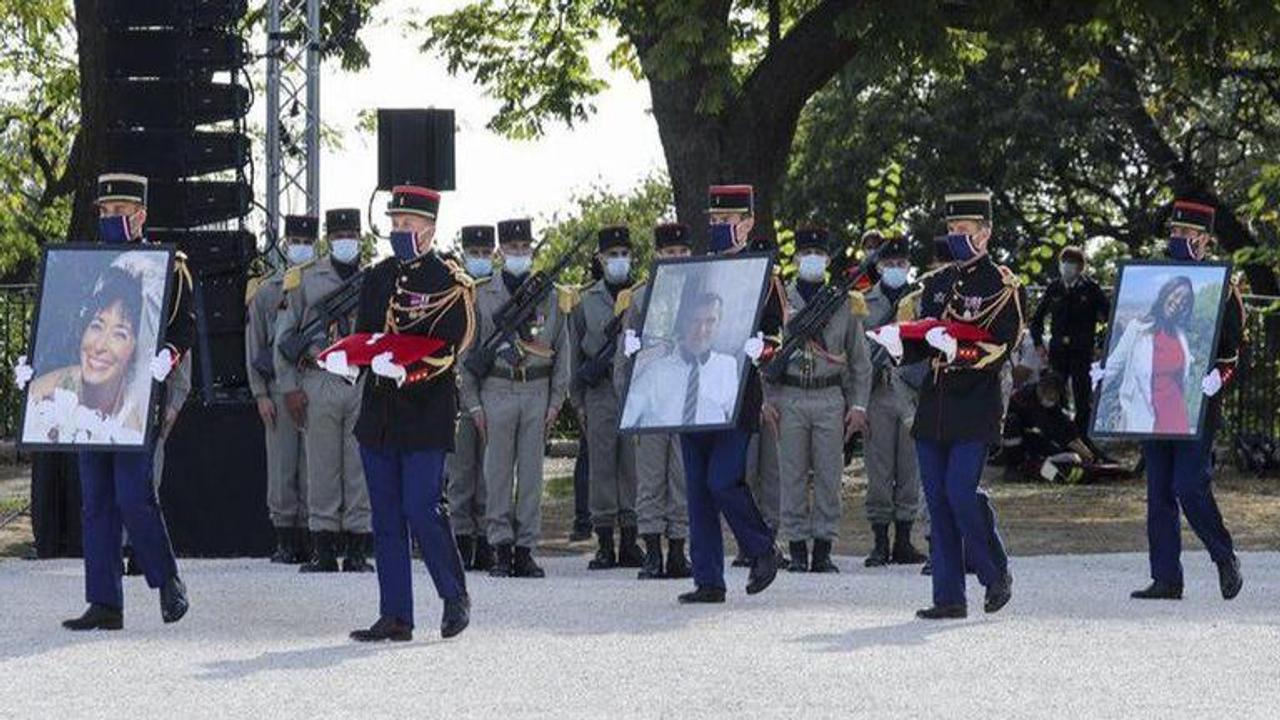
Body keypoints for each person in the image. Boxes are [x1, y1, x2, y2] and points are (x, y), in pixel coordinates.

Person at [14, 173, 193, 630]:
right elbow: (64, 326)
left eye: (120, 212)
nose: (111, 220)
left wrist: (167, 358)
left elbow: (183, 326)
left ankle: (167, 577)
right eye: (105, 212)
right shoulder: (87, 265)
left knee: (133, 493)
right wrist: (35, 366)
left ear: (141, 215)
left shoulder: (168, 266)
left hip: (136, 396)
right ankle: (105, 602)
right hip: (89, 400)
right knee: (95, 499)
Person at [874, 190, 1021, 620]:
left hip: (975, 402)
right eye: (953, 230)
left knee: (959, 492)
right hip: (935, 403)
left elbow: (1001, 347)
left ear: (986, 233)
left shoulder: (1003, 285)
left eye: (966, 231)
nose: (958, 238)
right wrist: (901, 345)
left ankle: (995, 573)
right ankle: (948, 597)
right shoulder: (936, 285)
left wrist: (959, 351)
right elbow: (922, 344)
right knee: (937, 501)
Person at [1093, 199, 1244, 601]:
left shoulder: (1224, 289)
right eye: (1174, 233)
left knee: (1189, 486)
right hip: (1151, 413)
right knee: (1159, 491)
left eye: (1187, 234)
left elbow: (1232, 353)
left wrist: (1217, 377)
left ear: (1206, 241)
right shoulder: (1150, 300)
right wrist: (1103, 371)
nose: (1178, 239)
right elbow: (1117, 353)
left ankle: (1223, 555)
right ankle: (1166, 578)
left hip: (1194, 408)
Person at [345, 184, 474, 641]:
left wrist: (406, 370)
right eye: (395, 224)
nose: (399, 232)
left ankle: (453, 593)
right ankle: (396, 614)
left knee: (422, 507)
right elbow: (363, 335)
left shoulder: (450, 282)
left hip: (425, 411)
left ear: (430, 229)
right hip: (380, 414)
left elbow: (449, 349)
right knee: (385, 516)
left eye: (408, 225)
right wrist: (350, 362)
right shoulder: (378, 277)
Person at [673, 184, 783, 603]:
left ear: (748, 223)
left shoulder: (763, 273)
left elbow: (776, 329)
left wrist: (763, 347)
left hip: (737, 392)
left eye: (727, 221)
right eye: (715, 221)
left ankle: (761, 547)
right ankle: (708, 580)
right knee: (699, 489)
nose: (720, 227)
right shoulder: (699, 270)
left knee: (722, 479)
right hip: (693, 388)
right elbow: (681, 322)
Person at [460, 218, 571, 579]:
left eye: (525, 249)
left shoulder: (550, 296)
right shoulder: (481, 294)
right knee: (497, 474)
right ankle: (500, 547)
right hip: (496, 389)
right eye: (512, 249)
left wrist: (556, 402)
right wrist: (474, 404)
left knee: (532, 475)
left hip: (536, 390)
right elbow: (468, 356)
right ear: (500, 252)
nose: (519, 254)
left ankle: (526, 548)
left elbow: (562, 353)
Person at [764, 227, 871, 573]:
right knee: (791, 474)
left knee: (829, 475)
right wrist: (768, 398)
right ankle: (796, 548)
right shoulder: (779, 298)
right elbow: (764, 356)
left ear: (827, 260)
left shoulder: (844, 302)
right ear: (795, 259)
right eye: (806, 253)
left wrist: (858, 406)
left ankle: (823, 548)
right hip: (790, 394)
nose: (812, 259)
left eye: (819, 254)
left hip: (829, 396)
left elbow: (859, 360)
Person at [275, 208, 373, 573]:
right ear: (329, 240)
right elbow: (285, 340)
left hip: (360, 380)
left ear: (360, 238)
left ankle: (359, 546)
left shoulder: (373, 280)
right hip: (320, 378)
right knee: (321, 465)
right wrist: (289, 387)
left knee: (359, 466)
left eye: (351, 233)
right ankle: (324, 547)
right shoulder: (304, 280)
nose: (345, 240)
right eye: (338, 235)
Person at [618, 223, 693, 579]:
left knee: (681, 477)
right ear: (657, 255)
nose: (676, 258)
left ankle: (678, 550)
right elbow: (625, 357)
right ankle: (652, 552)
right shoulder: (638, 297)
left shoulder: (700, 292)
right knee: (650, 478)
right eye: (669, 253)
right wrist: (628, 404)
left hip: (686, 398)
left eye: (682, 253)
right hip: (650, 398)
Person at [571, 225, 643, 570]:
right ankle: (603, 543)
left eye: (624, 254)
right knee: (601, 466)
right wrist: (579, 401)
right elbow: (575, 354)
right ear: (600, 259)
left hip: (634, 392)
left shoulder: (643, 296)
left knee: (632, 467)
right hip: (599, 394)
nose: (619, 260)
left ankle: (630, 541)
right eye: (612, 255)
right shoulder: (587, 300)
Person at [245, 216, 313, 564]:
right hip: (275, 386)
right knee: (283, 464)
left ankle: (312, 532)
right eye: (296, 241)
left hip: (315, 383)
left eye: (308, 241)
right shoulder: (267, 290)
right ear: (286, 245)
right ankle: (286, 536)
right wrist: (260, 394)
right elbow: (254, 345)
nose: (302, 247)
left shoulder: (321, 285)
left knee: (314, 464)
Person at [860, 235, 927, 567]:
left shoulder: (919, 300)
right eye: (889, 264)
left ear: (909, 266)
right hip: (878, 392)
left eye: (901, 264)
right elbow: (858, 354)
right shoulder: (864, 302)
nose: (896, 269)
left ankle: (904, 539)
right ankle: (879, 541)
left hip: (911, 391)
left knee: (910, 468)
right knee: (879, 468)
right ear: (879, 266)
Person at [446, 225, 497, 572]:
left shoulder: (498, 293)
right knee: (463, 474)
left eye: (484, 252)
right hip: (462, 396)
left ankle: (487, 542)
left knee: (489, 475)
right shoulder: (456, 293)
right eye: (474, 253)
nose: (480, 258)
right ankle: (462, 540)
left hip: (494, 393)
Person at [1095, 275, 1197, 434]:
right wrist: (1090, 387)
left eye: (1185, 301)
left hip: (1176, 416)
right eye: (1176, 295)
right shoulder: (1137, 329)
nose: (1178, 303)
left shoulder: (1181, 335)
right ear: (1166, 293)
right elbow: (1113, 366)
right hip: (1144, 416)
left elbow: (1182, 376)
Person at [1029, 246, 1109, 435]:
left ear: (1081, 267)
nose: (1067, 267)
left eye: (1072, 264)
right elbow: (1037, 320)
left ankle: (1082, 437)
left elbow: (1109, 316)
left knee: (1082, 395)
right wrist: (1039, 344)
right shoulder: (1054, 288)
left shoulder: (1091, 289)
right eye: (1064, 263)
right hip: (1058, 350)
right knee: (1056, 392)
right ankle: (1058, 434)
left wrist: (1099, 344)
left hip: (1081, 350)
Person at [1001, 371, 1097, 483]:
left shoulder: (1050, 401)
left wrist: (1085, 449)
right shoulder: (1025, 398)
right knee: (1012, 423)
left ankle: (1048, 472)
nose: (1053, 400)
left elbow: (1065, 424)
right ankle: (1014, 467)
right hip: (1013, 437)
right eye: (1051, 396)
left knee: (1053, 457)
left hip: (1032, 436)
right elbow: (1051, 428)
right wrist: (1079, 449)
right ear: (1042, 389)